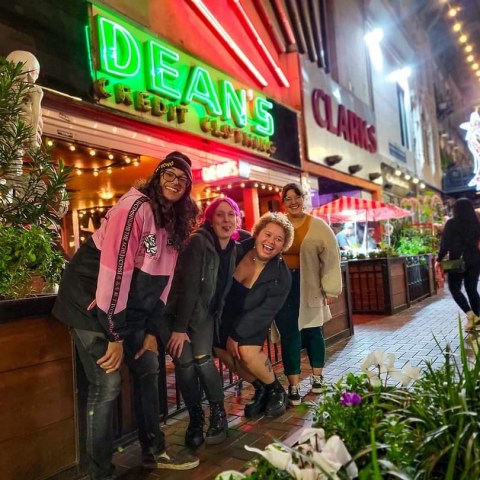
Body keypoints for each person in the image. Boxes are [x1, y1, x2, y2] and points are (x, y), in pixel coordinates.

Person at [53, 151, 200, 480]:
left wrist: (149, 329)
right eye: (169, 174)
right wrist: (114, 335)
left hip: (123, 309)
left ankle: (154, 452)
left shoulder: (168, 223)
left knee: (148, 365)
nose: (175, 182)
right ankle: (100, 473)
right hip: (90, 304)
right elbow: (114, 272)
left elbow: (157, 278)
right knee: (107, 384)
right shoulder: (134, 208)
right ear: (157, 175)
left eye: (183, 178)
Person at [159, 197, 241, 448]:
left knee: (203, 359)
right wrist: (180, 329)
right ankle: (196, 417)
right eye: (220, 215)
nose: (226, 220)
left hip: (204, 314)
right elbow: (189, 288)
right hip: (177, 314)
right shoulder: (198, 242)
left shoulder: (235, 246)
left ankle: (218, 414)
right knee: (184, 363)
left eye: (231, 215)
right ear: (210, 219)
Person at [214, 212, 293, 418]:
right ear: (257, 233)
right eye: (267, 234)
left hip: (252, 319)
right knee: (219, 348)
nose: (271, 242)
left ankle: (276, 390)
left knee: (246, 352)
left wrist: (236, 335)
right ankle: (261, 388)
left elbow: (264, 312)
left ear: (283, 246)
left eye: (279, 239)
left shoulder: (281, 276)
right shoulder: (238, 245)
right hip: (225, 314)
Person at [276, 183, 342, 406]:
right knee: (289, 334)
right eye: (288, 198)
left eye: (297, 196)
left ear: (304, 198)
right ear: (283, 202)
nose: (293, 201)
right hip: (283, 286)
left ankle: (317, 377)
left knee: (314, 331)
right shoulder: (278, 224)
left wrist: (330, 288)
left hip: (310, 285)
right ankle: (293, 385)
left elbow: (331, 257)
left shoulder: (318, 226)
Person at [437, 197, 480, 331]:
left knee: (454, 289)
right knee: (472, 289)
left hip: (457, 260)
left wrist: (439, 259)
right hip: (475, 259)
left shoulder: (451, 223)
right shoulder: (477, 223)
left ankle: (470, 314)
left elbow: (445, 243)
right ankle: (477, 321)